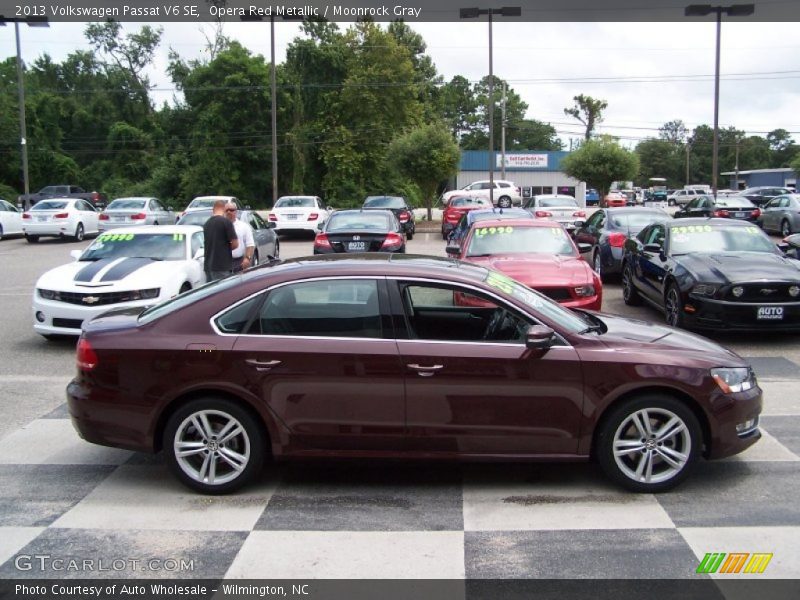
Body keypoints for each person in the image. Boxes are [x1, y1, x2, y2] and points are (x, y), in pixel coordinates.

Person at [202, 199, 238, 281]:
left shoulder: (206, 224)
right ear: (224, 209)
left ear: (213, 210)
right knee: (224, 291)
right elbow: (235, 244)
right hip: (222, 265)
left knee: (212, 291)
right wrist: (225, 248)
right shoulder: (226, 222)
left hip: (208, 265)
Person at [225, 202, 256, 272]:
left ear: (236, 211)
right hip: (223, 263)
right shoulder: (220, 226)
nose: (229, 212)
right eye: (226, 210)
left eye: (231, 210)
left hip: (238, 262)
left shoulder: (244, 226)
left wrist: (247, 258)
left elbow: (250, 245)